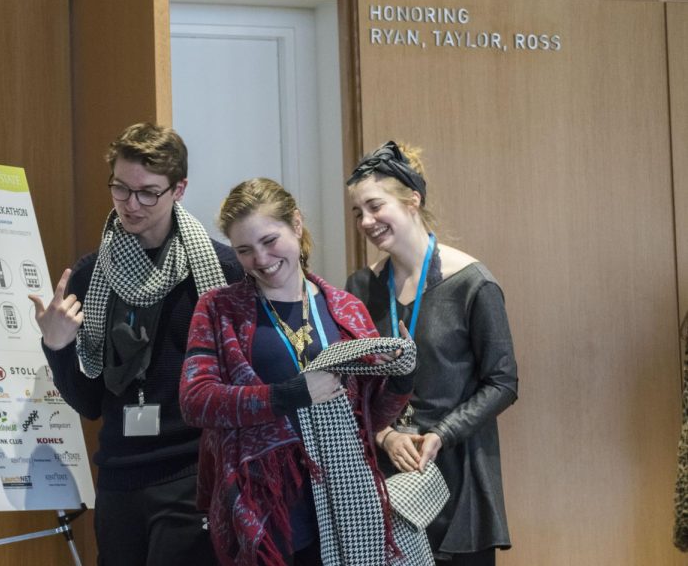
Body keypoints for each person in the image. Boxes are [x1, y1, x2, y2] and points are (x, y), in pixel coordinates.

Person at [29, 122, 243, 565]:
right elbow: (88, 403)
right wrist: (57, 346)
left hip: (194, 472)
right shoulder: (89, 277)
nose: (131, 205)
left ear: (178, 190)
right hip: (119, 477)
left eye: (148, 192)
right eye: (121, 189)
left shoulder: (223, 273)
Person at [180, 178, 415, 566]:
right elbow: (196, 401)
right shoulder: (219, 309)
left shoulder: (346, 308)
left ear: (297, 224)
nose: (260, 259)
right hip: (266, 509)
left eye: (269, 241)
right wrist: (289, 394)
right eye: (244, 250)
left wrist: (403, 374)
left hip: (347, 505)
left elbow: (374, 418)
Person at [345, 141, 519, 566]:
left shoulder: (473, 283)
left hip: (459, 478)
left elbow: (503, 383)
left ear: (412, 201)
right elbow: (348, 387)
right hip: (385, 474)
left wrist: (441, 434)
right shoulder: (359, 288)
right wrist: (385, 435)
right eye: (357, 213)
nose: (366, 222)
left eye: (374, 206)